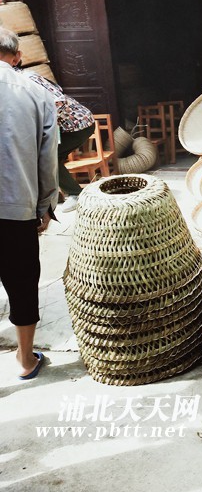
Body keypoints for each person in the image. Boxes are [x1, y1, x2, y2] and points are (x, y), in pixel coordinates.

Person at [0, 27, 59, 380]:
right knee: (22, 281)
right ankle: (25, 360)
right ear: (17, 57)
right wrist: (45, 205)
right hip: (14, 206)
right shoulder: (34, 92)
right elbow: (46, 157)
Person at [8, 54, 94, 213]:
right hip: (67, 127)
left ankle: (75, 194)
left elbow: (58, 101)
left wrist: (43, 127)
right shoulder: (14, 83)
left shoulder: (28, 78)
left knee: (46, 156)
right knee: (51, 158)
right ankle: (70, 193)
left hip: (77, 125)